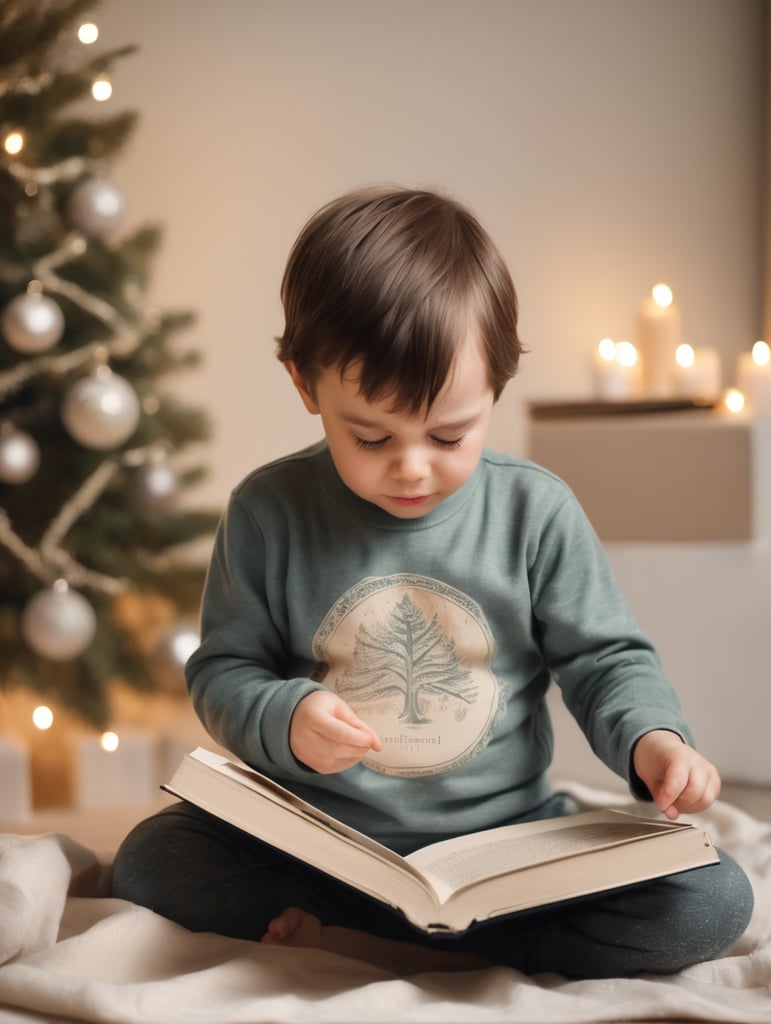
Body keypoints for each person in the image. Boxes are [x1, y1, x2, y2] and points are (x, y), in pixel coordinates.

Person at [112, 185, 753, 977]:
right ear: (305, 386)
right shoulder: (268, 511)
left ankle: (462, 937)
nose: (412, 466)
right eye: (371, 434)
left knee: (710, 899)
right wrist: (285, 714)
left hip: (504, 853)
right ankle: (370, 928)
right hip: (324, 846)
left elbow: (605, 661)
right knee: (150, 859)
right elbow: (221, 670)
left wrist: (652, 739)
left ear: (497, 385)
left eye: (450, 433)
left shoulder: (534, 509)